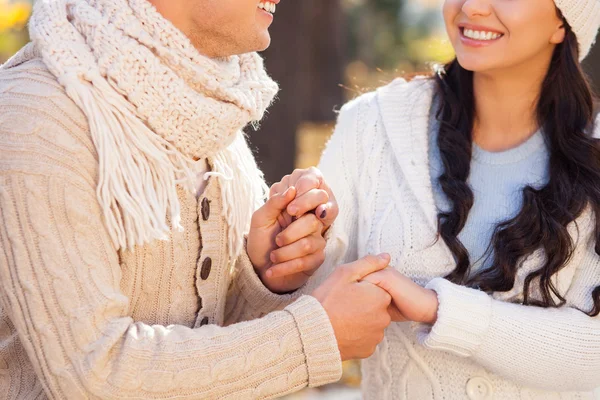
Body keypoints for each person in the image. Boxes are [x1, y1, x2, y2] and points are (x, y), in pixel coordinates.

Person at [0, 0, 394, 398]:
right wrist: (311, 338)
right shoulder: (36, 117)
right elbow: (93, 377)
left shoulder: (207, 107)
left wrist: (262, 276)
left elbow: (208, 352)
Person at [273, 0, 600, 398]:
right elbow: (307, 307)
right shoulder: (374, 127)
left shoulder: (594, 155)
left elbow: (592, 355)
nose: (472, 7)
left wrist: (436, 308)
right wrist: (287, 252)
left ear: (563, 24)